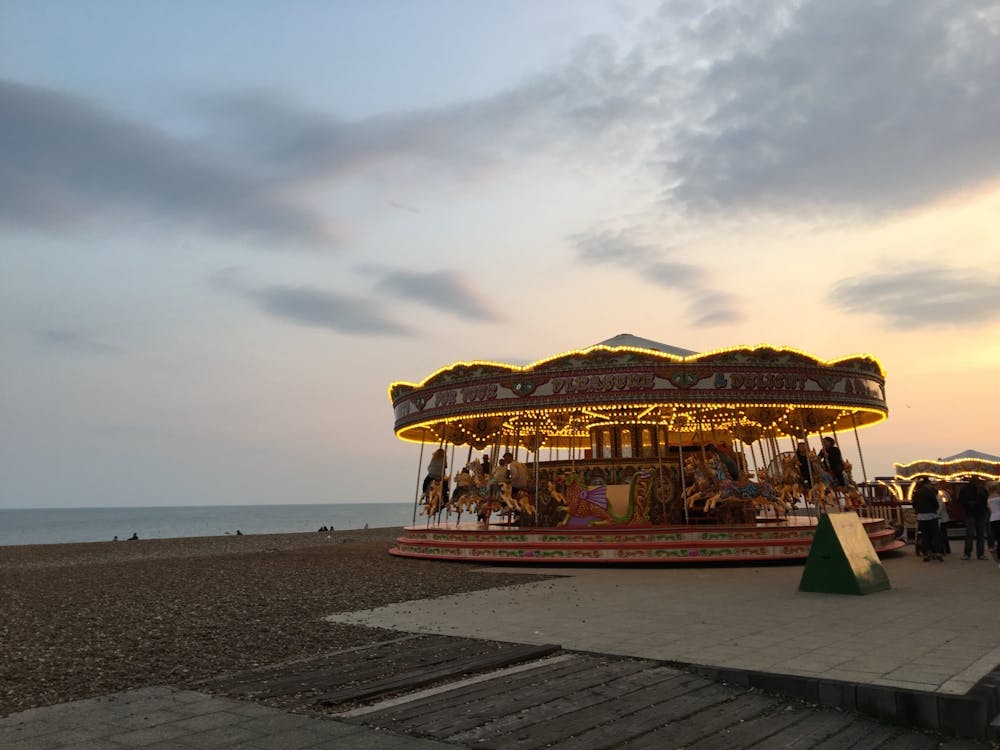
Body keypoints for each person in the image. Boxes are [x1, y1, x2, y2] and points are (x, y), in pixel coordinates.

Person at [912, 477, 944, 562]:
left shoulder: (916, 493)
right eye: (930, 484)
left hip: (921, 517)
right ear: (927, 484)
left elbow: (914, 504)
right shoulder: (930, 492)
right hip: (931, 515)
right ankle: (938, 552)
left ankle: (926, 554)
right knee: (935, 535)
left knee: (924, 536)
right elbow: (935, 504)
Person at [958, 476, 988, 560]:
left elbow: (960, 501)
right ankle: (979, 554)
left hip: (974, 513)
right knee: (977, 535)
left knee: (972, 535)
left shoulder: (967, 489)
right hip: (975, 513)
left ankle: (968, 553)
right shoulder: (980, 489)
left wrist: (967, 504)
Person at [987, 481, 1000, 563]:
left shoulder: (989, 498)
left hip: (993, 519)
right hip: (999, 518)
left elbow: (990, 509)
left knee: (998, 537)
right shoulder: (998, 497)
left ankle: (998, 555)